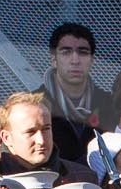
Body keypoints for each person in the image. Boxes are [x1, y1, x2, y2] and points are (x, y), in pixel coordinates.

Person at [43, 22, 115, 162]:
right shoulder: (35, 105)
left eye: (83, 52)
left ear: (92, 60)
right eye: (66, 52)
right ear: (54, 59)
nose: (75, 60)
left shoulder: (110, 105)